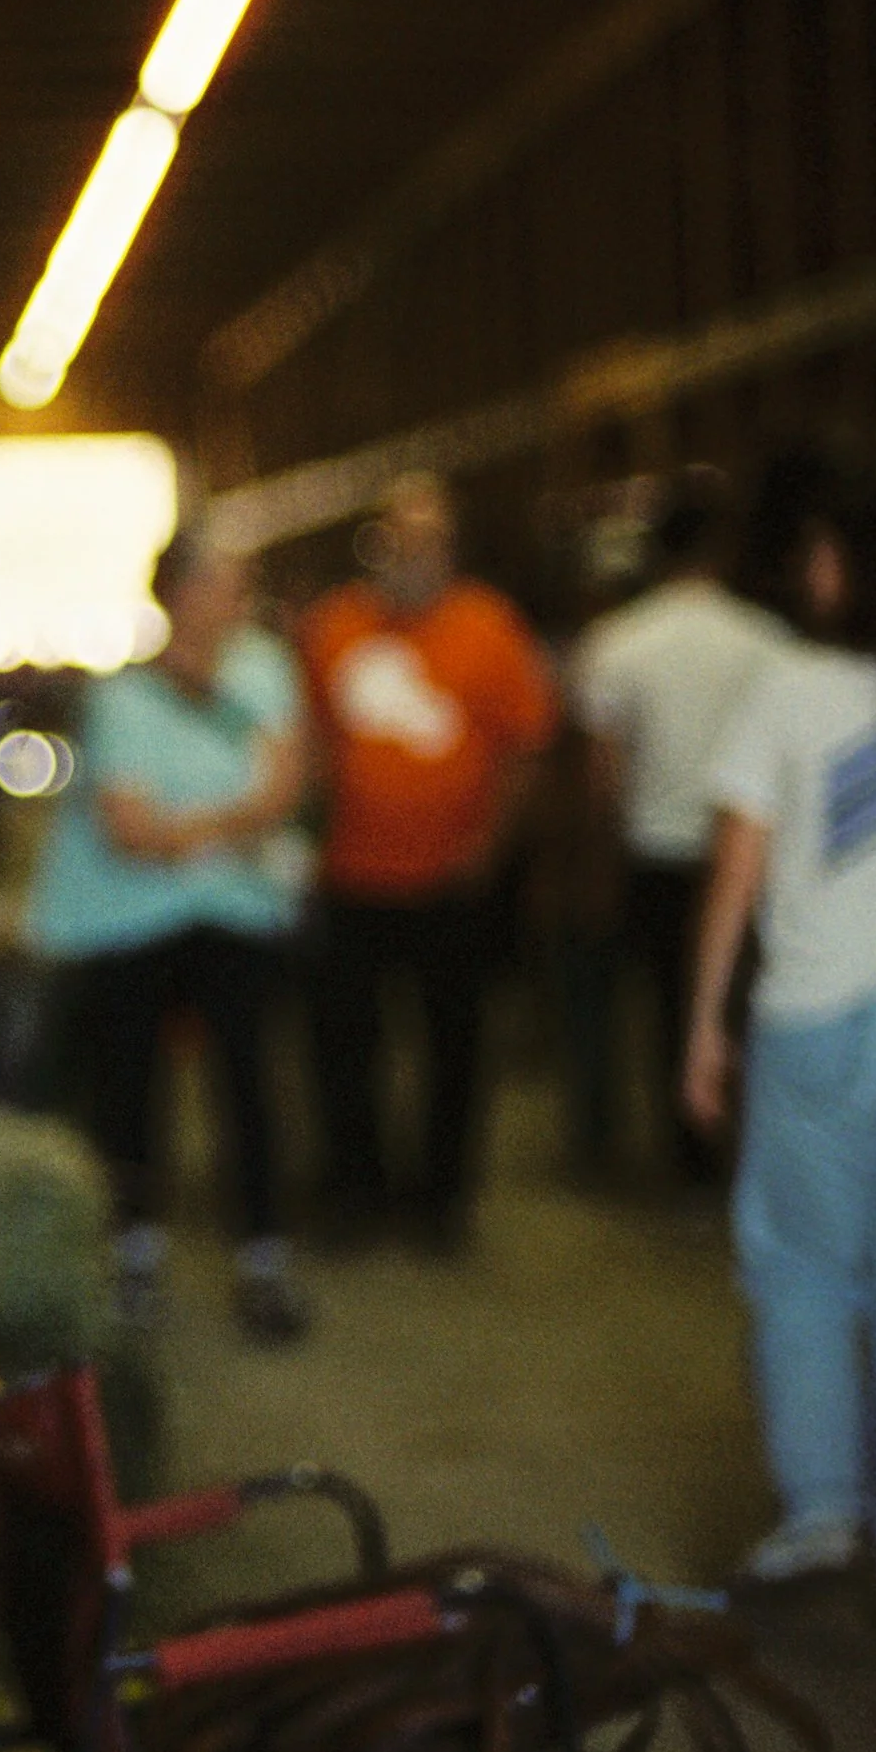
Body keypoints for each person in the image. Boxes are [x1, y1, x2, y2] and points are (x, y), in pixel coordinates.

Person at [682, 452, 876, 1607]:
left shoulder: (788, 684)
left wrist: (701, 1022)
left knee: (800, 1267)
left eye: (822, 549)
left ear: (848, 567)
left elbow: (741, 859)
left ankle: (824, 1512)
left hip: (819, 1021)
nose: (807, 567)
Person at [27, 524, 313, 1340]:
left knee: (250, 1081)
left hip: (235, 912)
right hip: (130, 919)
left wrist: (185, 831)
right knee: (128, 1082)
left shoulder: (264, 669)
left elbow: (282, 788)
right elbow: (128, 829)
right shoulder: (123, 697)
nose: (239, 600)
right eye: (224, 582)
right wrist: (228, 824)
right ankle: (135, 1253)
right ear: (181, 593)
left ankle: (263, 1254)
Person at [297, 472, 559, 1250]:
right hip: (350, 877)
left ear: (451, 546)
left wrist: (489, 845)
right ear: (378, 544)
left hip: (450, 882)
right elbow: (308, 742)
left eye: (431, 538)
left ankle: (441, 1202)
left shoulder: (490, 626)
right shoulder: (334, 627)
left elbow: (524, 743)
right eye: (401, 537)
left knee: (455, 1047)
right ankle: (356, 1190)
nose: (415, 554)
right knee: (345, 1047)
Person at [573, 473, 789, 1189]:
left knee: (671, 1009)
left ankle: (681, 1152)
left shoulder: (619, 643)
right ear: (722, 550)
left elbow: (605, 773)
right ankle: (736, 1152)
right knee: (743, 1002)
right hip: (748, 851)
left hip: (655, 854)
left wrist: (597, 868)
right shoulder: (767, 642)